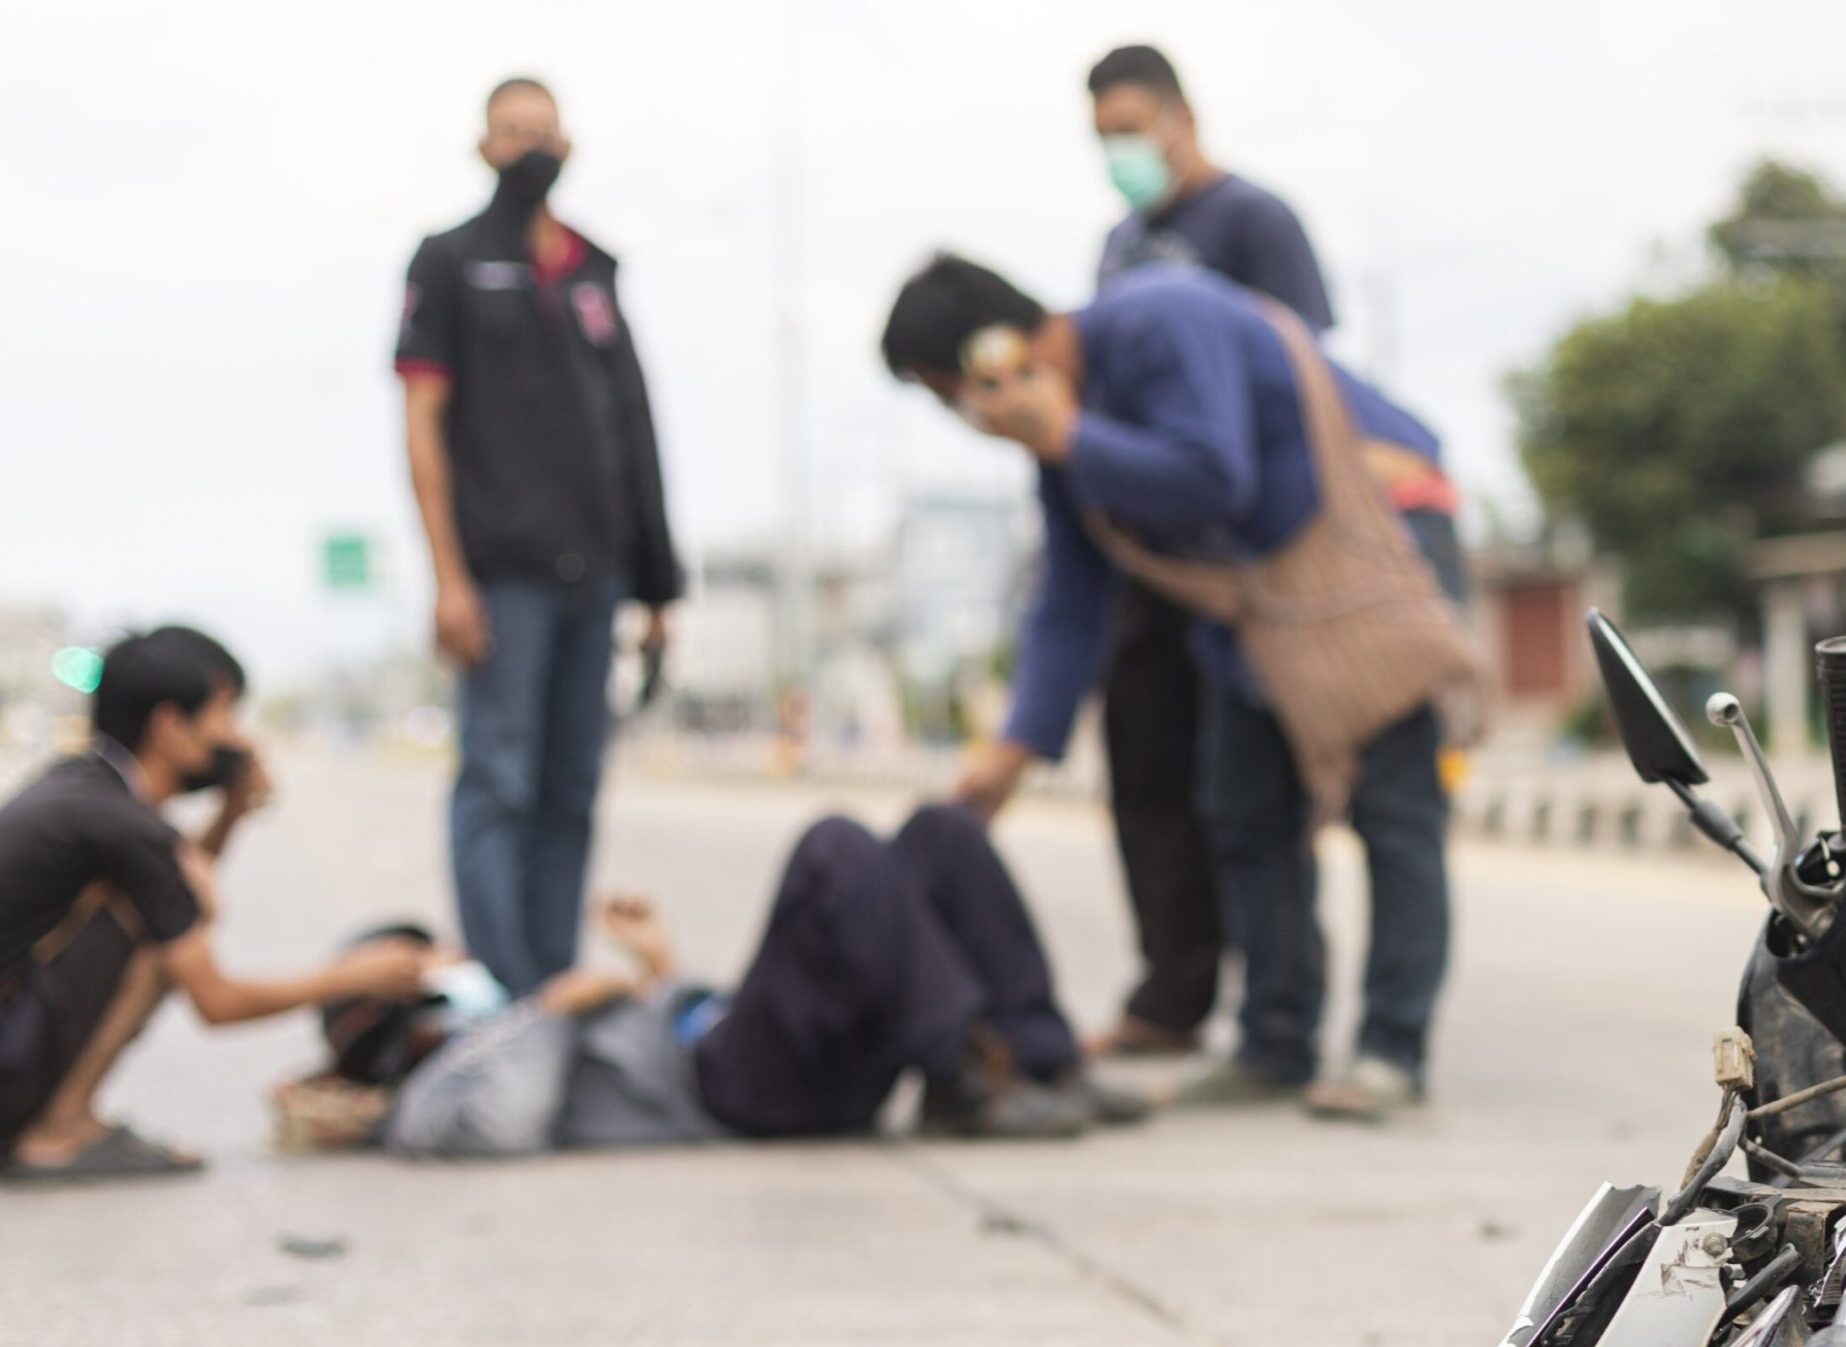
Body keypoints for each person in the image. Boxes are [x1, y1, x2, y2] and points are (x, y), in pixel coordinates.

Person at [881, 254, 1477, 1122]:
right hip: (1262, 598)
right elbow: (1071, 599)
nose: (967, 415)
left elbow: (1214, 468)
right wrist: (1012, 754)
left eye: (950, 391)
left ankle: (1392, 1050)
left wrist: (1071, 439)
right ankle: (1275, 1048)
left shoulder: (1160, 319)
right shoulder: (1060, 435)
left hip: (1371, 548)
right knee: (1242, 809)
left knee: (1394, 808)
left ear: (994, 348)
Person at [353, 804, 1142, 1159]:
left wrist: (659, 970)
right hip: (732, 1094)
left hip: (743, 1047)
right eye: (417, 963)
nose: (444, 961)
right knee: (835, 849)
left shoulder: (496, 1027)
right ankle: (964, 1077)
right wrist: (549, 1013)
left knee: (940, 832)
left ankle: (1040, 1062)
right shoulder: (437, 1081)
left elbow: (664, 1034)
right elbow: (504, 1127)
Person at [1081, 42, 1339, 1061]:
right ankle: (1172, 989)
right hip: (1150, 552)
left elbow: (1306, 371)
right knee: (1144, 770)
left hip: (1243, 550)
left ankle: (1278, 1008)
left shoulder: (1251, 219)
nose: (1119, 152)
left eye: (1131, 128)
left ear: (1180, 119)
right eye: (1101, 135)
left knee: (1248, 794)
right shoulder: (1115, 244)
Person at [397, 75, 682, 996]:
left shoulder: (596, 270)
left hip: (594, 574)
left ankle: (553, 984)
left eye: (543, 132)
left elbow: (632, 425)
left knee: (570, 790)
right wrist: (449, 575)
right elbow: (422, 420)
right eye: (511, 133)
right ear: (483, 148)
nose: (529, 148)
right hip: (501, 575)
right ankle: (501, 991)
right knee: (499, 779)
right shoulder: (449, 261)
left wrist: (658, 581)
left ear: (571, 146)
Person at [0, 627, 438, 1180]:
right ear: (168, 726)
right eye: (226, 716)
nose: (237, 739)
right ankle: (57, 1132)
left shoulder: (85, 787)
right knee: (170, 934)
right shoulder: (123, 826)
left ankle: (62, 1119)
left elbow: (176, 884)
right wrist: (352, 976)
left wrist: (231, 814)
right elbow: (215, 1000)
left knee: (173, 908)